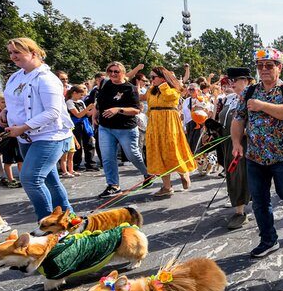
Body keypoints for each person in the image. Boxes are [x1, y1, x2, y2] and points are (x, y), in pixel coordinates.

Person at [231, 48, 283, 259]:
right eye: (260, 66)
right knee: (259, 201)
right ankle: (268, 239)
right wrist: (236, 143)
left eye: (269, 65)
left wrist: (261, 106)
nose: (263, 69)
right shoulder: (249, 91)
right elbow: (238, 119)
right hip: (255, 156)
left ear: (279, 67)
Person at [0, 37, 74, 220]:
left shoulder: (47, 79)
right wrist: (5, 112)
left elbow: (53, 112)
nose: (12, 56)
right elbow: (16, 102)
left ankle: (46, 222)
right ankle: (68, 219)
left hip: (50, 136)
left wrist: (23, 127)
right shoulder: (15, 77)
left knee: (30, 179)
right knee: (50, 180)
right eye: (10, 52)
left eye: (17, 52)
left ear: (33, 53)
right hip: (26, 137)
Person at [94, 62, 150, 198]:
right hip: (105, 127)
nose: (113, 74)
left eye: (116, 71)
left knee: (132, 155)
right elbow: (98, 102)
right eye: (110, 71)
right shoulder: (105, 84)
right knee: (107, 157)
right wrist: (94, 115)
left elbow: (136, 110)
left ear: (123, 73)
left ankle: (148, 174)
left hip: (126, 128)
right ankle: (113, 185)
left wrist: (118, 109)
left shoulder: (130, 88)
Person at [144, 67, 195, 197]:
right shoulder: (151, 90)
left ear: (163, 78)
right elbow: (149, 106)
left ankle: (183, 172)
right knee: (158, 153)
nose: (151, 80)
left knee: (173, 149)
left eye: (154, 77)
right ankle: (167, 187)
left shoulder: (173, 89)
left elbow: (170, 97)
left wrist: (163, 85)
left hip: (169, 123)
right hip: (155, 124)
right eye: (150, 77)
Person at [217, 68, 252, 229]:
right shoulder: (230, 99)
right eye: (230, 80)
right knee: (232, 174)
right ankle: (238, 203)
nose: (231, 83)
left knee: (240, 175)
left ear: (246, 81)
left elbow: (257, 123)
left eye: (235, 80)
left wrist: (241, 132)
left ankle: (240, 212)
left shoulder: (251, 98)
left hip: (243, 144)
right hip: (227, 143)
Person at [65, 84, 96, 172]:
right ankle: (76, 164)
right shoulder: (69, 102)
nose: (82, 96)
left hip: (85, 123)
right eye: (80, 94)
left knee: (89, 143)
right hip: (76, 124)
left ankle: (90, 163)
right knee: (77, 144)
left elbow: (87, 114)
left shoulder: (81, 102)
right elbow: (78, 115)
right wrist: (88, 108)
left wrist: (94, 108)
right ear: (74, 93)